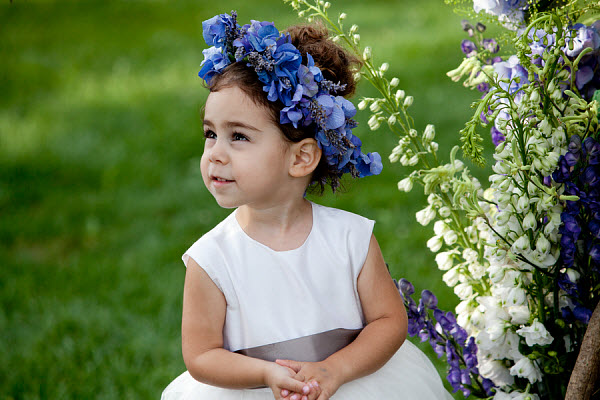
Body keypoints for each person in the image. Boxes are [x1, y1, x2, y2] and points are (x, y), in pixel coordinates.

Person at [161, 11, 453, 400]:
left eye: (239, 137)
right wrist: (266, 375)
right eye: (211, 133)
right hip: (255, 388)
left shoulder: (349, 238)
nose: (215, 153)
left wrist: (336, 369)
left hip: (352, 384)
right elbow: (200, 356)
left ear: (300, 158)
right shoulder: (212, 259)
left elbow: (388, 322)